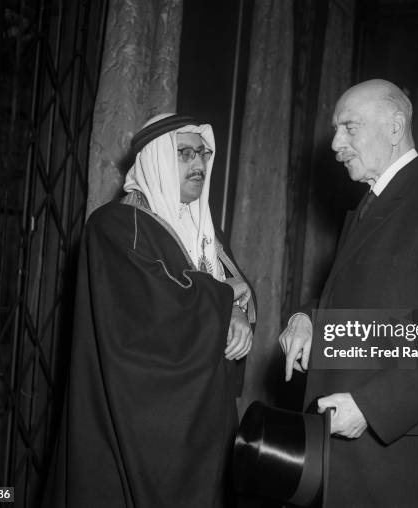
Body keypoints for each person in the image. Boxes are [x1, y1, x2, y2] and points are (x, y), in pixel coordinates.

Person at [279, 79, 418, 506]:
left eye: (349, 127)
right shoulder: (371, 204)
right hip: (360, 461)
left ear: (395, 127)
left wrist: (370, 406)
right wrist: (308, 318)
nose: (335, 143)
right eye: (336, 129)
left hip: (408, 464)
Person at [43, 114, 256, 508]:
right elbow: (157, 309)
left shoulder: (208, 235)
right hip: (136, 424)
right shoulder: (116, 227)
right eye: (186, 153)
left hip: (205, 424)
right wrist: (226, 302)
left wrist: (237, 309)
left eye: (204, 153)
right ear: (156, 159)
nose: (200, 164)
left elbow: (237, 292)